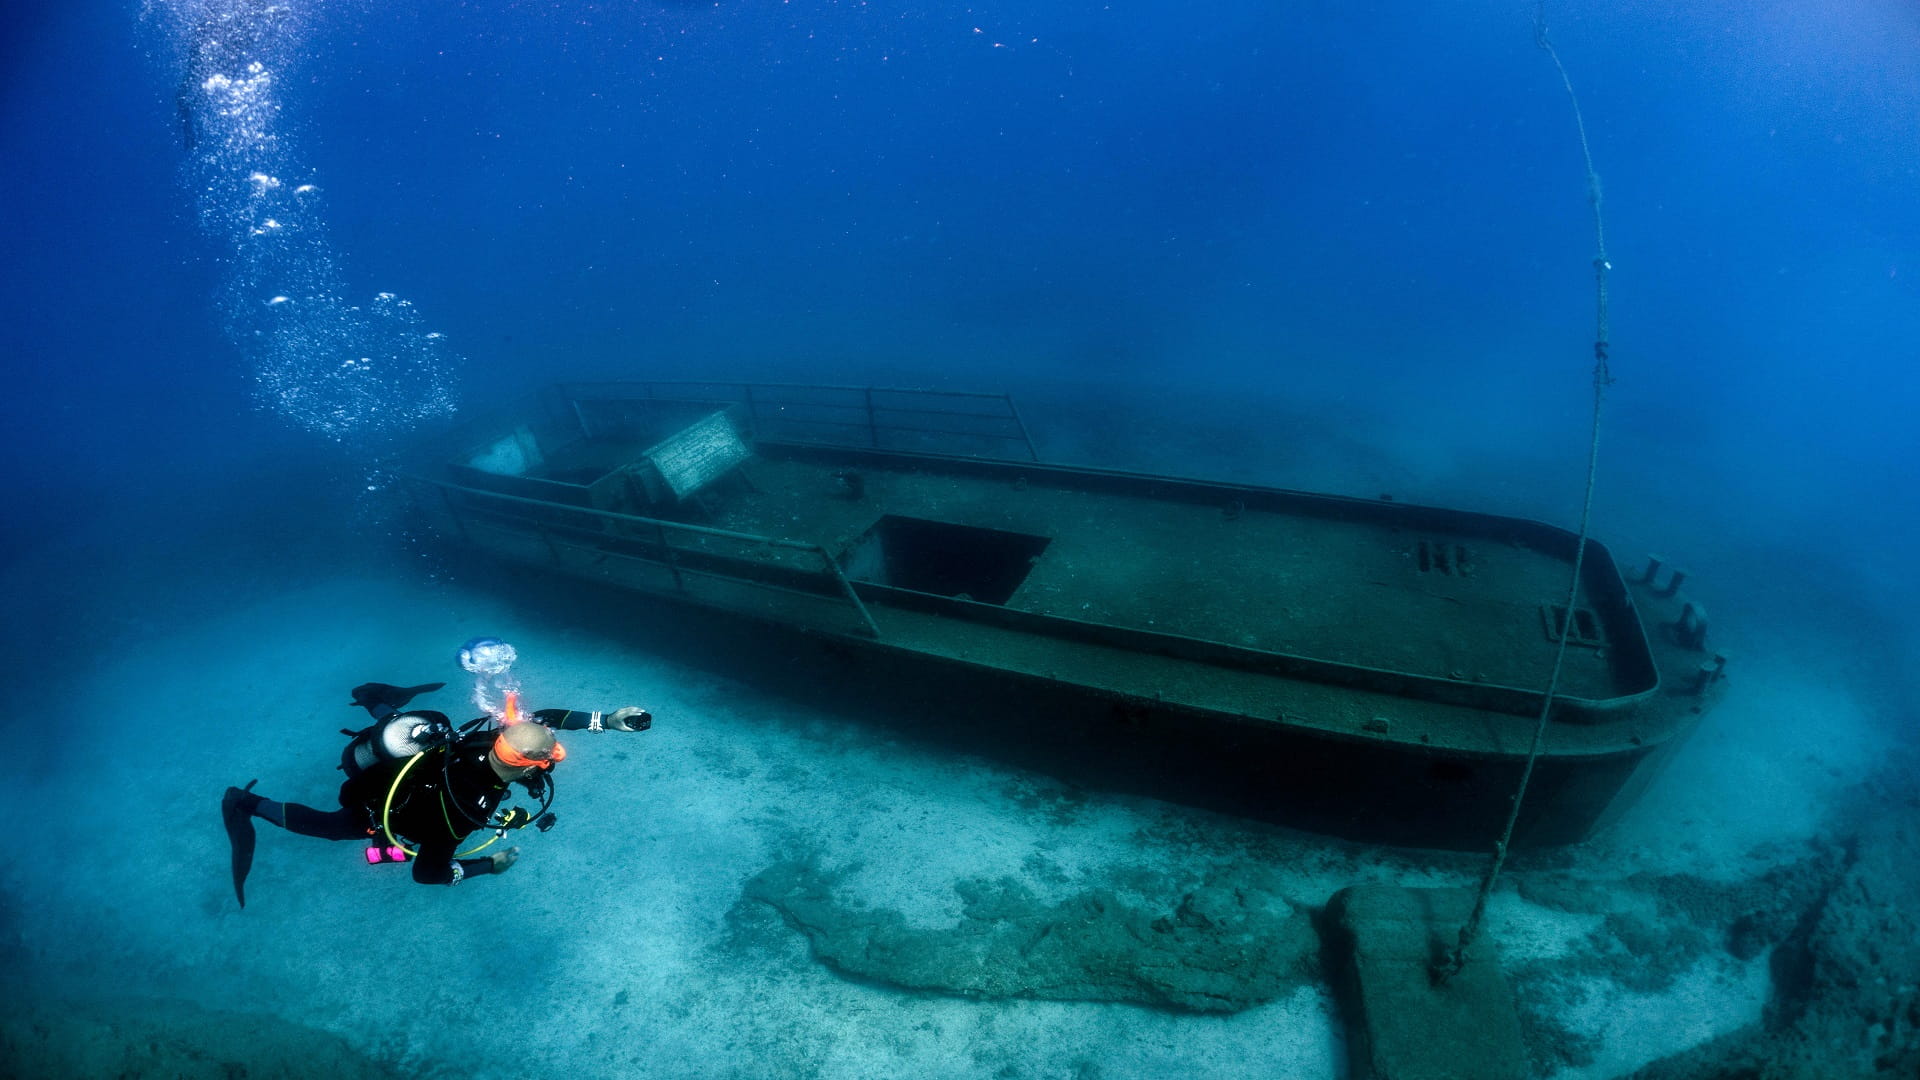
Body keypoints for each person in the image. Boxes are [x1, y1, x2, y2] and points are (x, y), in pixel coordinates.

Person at [221, 671, 650, 907]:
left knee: (417, 731)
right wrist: (488, 866)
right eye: (550, 756)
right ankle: (245, 803)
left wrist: (606, 720)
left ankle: (375, 697)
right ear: (529, 763)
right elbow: (427, 874)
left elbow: (544, 719)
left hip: (407, 766)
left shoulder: (490, 737)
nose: (554, 756)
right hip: (378, 806)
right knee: (332, 827)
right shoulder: (460, 815)